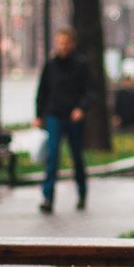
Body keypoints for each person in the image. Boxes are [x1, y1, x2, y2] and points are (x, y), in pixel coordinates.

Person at [34, 28, 94, 213]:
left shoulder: (80, 64)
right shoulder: (50, 65)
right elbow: (42, 91)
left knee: (76, 156)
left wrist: (81, 108)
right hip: (54, 115)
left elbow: (90, 91)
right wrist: (38, 114)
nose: (62, 46)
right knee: (52, 156)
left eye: (65, 43)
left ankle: (82, 193)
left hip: (73, 117)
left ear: (72, 44)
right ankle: (48, 197)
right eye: (59, 42)